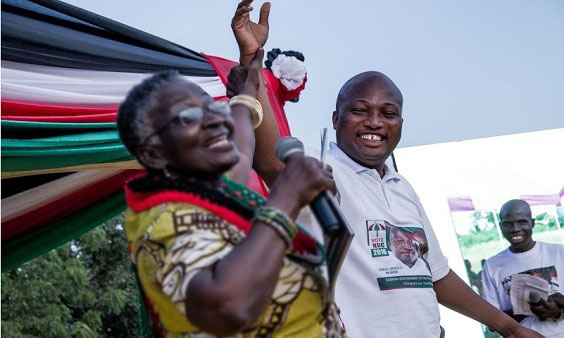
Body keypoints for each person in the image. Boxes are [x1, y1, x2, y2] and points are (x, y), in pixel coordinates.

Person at [229, 3, 545, 337]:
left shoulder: (401, 186)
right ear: (336, 120)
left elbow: (436, 275)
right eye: (360, 110)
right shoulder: (319, 164)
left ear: (401, 124)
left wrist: (508, 328)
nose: (375, 122)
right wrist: (252, 58)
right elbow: (268, 159)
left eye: (388, 113)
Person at [117, 5, 346, 334]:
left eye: (213, 108)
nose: (214, 119)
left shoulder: (209, 191)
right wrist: (286, 198)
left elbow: (240, 139)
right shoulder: (163, 218)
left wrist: (250, 63)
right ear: (152, 153)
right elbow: (224, 307)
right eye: (188, 117)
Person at [482, 199, 564, 337]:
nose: (515, 229)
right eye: (508, 223)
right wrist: (523, 308)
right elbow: (491, 323)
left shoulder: (559, 253)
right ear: (501, 226)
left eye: (522, 221)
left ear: (532, 223)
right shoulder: (492, 266)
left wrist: (558, 311)